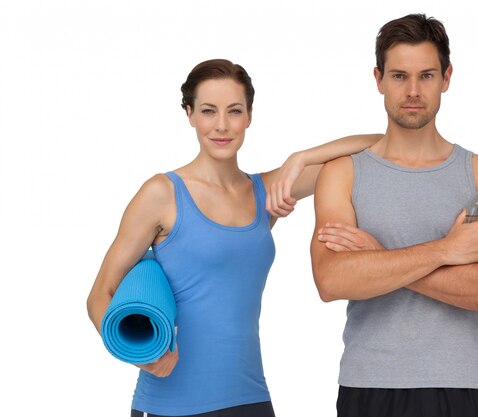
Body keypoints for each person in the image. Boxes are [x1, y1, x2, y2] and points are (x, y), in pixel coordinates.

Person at [86, 58, 381, 417]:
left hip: (250, 399)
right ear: (189, 114)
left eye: (234, 111)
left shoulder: (266, 192)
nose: (222, 126)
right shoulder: (161, 194)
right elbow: (100, 296)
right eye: (209, 111)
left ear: (250, 116)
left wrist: (300, 158)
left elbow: (378, 146)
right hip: (169, 404)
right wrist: (141, 357)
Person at [311, 14, 478, 417]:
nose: (412, 91)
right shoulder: (343, 173)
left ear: (446, 77)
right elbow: (331, 279)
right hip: (370, 385)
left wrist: (379, 258)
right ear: (378, 79)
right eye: (398, 76)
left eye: (426, 76)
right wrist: (447, 250)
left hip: (465, 384)